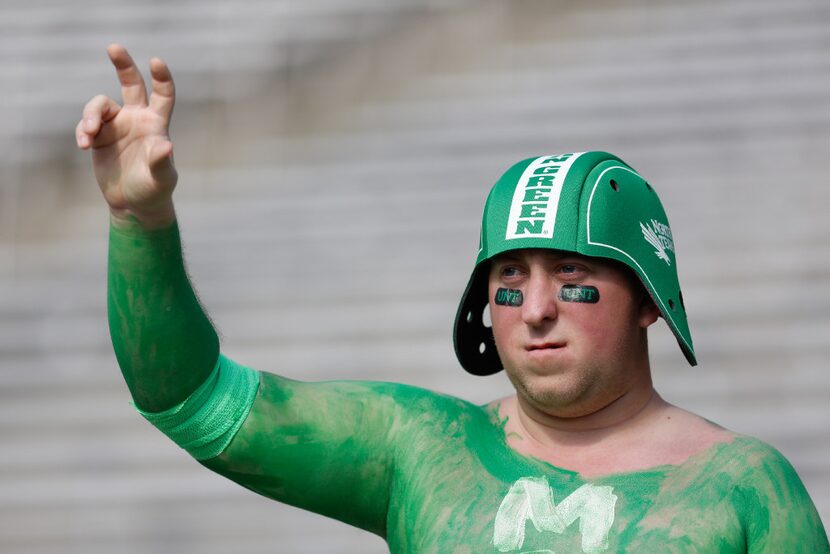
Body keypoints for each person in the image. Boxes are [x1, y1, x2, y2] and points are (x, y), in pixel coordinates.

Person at [77, 44, 828, 553]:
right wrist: (139, 223)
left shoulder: (745, 490)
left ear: (648, 301)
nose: (534, 309)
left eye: (572, 276)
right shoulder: (418, 448)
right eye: (507, 281)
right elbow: (189, 399)